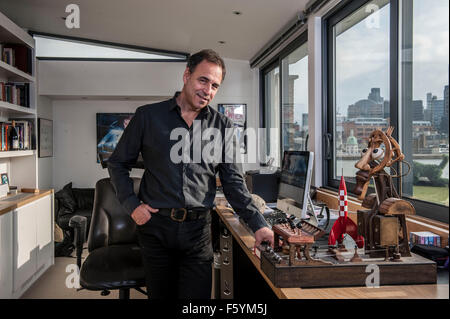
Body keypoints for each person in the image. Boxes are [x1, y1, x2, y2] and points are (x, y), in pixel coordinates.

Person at [107, 49, 274, 299]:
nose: (208, 90)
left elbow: (234, 182)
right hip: (156, 229)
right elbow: (117, 163)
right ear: (187, 75)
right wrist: (132, 205)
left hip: (198, 233)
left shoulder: (223, 126)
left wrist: (258, 224)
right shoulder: (148, 116)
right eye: (203, 80)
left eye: (215, 85)